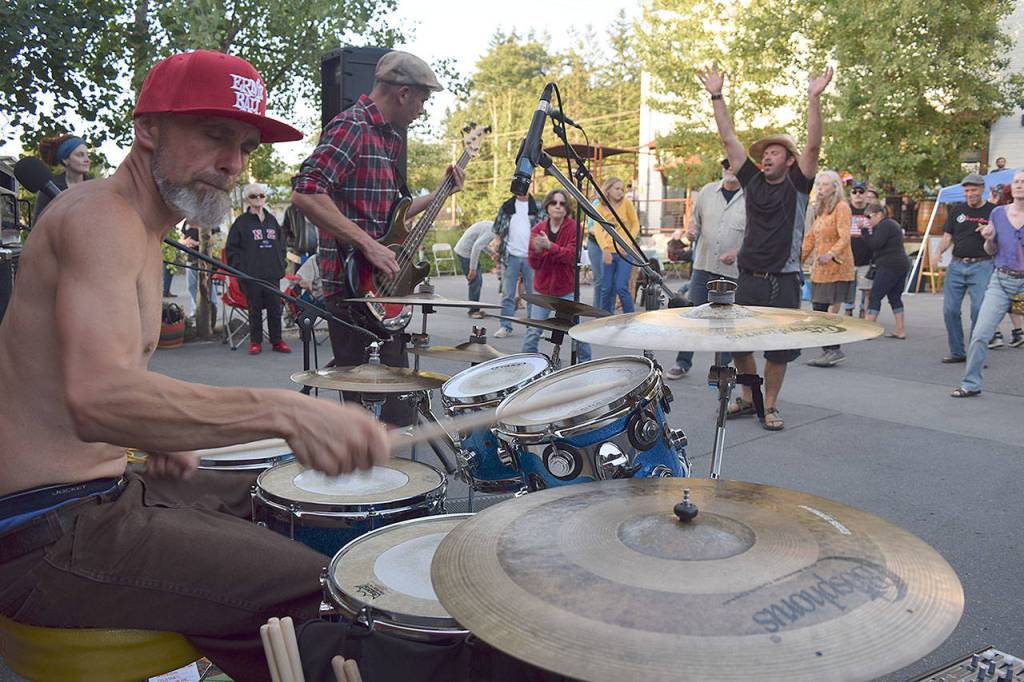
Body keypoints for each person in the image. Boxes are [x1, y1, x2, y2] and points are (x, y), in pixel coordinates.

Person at [0, 50, 390, 682]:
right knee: (327, 590)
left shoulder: (142, 229)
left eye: (244, 145)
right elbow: (96, 398)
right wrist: (285, 410)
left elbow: (95, 380)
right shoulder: (101, 216)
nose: (233, 164)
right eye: (214, 135)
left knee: (288, 500)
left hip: (96, 496)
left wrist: (154, 432)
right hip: (45, 532)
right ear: (148, 128)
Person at [291, 51, 463, 424]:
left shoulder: (389, 140)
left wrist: (438, 196)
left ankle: (389, 477)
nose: (422, 109)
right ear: (403, 93)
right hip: (354, 293)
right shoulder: (352, 125)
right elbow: (306, 192)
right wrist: (367, 244)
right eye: (422, 99)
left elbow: (390, 221)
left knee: (395, 410)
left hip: (383, 292)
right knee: (366, 415)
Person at [698, 64, 832, 431]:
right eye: (766, 153)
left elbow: (814, 144)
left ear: (789, 161)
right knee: (740, 347)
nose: (768, 156)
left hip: (785, 279)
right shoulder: (752, 181)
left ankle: (769, 406)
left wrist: (814, 98)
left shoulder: (798, 185)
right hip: (748, 277)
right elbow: (728, 140)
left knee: (778, 351)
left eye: (776, 153)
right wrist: (716, 95)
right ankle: (747, 397)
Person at [665, 158, 745, 380]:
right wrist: (691, 230)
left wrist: (738, 253)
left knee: (728, 320)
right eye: (726, 163)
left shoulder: (751, 197)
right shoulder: (707, 191)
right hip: (703, 265)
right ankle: (682, 362)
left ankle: (723, 367)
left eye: (734, 164)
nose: (729, 167)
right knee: (693, 314)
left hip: (734, 271)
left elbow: (756, 235)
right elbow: (694, 222)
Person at [952, 170, 1024, 397]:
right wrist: (989, 239)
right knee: (981, 333)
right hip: (1001, 280)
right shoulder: (998, 213)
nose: (1020, 185)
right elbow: (991, 251)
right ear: (1011, 187)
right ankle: (970, 384)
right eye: (1017, 182)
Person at [523, 190, 591, 362]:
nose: (558, 206)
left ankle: (586, 366)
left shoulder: (575, 228)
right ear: (547, 206)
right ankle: (524, 367)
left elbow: (571, 257)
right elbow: (534, 264)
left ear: (567, 208)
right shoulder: (538, 230)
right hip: (543, 290)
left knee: (579, 333)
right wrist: (538, 252)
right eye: (554, 203)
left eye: (562, 203)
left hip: (566, 289)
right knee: (532, 332)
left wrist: (550, 247)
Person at [226, 183, 291, 355]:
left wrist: (281, 263)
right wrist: (241, 270)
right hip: (251, 275)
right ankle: (255, 341)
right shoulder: (241, 223)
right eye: (254, 196)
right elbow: (232, 249)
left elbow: (281, 244)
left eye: (261, 196)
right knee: (254, 309)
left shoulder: (271, 220)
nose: (259, 199)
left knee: (275, 309)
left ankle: (277, 340)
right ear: (248, 199)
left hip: (272, 273)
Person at [936, 173, 995, 363]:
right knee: (950, 310)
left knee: (979, 309)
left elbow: (1001, 240)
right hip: (957, 264)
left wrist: (988, 235)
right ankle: (957, 352)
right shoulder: (957, 210)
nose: (970, 194)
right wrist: (938, 252)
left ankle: (976, 355)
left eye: (974, 190)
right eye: (967, 190)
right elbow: (947, 236)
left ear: (982, 189)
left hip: (982, 264)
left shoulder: (993, 211)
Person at [802, 170, 855, 367]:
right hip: (820, 269)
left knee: (823, 309)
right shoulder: (821, 210)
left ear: (835, 187)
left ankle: (833, 350)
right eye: (819, 185)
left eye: (824, 185)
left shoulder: (841, 207)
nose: (820, 188)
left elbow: (845, 236)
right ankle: (830, 349)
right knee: (819, 309)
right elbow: (810, 237)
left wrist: (831, 254)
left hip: (836, 266)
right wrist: (796, 259)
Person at [491, 192, 542, 337]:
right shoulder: (507, 206)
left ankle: (533, 327)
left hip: (531, 256)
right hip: (510, 256)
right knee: (508, 293)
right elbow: (497, 230)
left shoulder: (538, 206)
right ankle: (505, 326)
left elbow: (545, 229)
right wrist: (497, 246)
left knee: (532, 295)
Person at [861, 203, 910, 339]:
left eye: (868, 217)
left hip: (889, 265)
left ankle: (869, 330)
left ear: (878, 214)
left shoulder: (884, 225)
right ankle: (900, 330)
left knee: (875, 296)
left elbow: (875, 244)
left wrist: (864, 231)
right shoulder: (892, 224)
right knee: (895, 297)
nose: (867, 220)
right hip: (900, 264)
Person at [594, 176, 640, 313]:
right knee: (606, 288)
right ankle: (604, 318)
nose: (621, 192)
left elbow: (635, 224)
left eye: (622, 189)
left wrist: (627, 243)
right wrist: (605, 249)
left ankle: (630, 318)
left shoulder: (627, 203)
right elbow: (597, 229)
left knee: (621, 286)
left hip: (624, 251)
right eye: (617, 188)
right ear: (608, 190)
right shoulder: (599, 207)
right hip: (609, 250)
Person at [986, 183, 1024, 348]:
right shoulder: (997, 212)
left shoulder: (997, 211)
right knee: (1008, 300)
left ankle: (997, 334)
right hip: (999, 262)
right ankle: (1014, 332)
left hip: (998, 264)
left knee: (1000, 300)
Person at [33, 133, 91, 221]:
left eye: (87, 155)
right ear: (65, 160)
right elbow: (38, 226)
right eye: (80, 155)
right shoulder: (49, 188)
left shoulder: (96, 187)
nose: (87, 160)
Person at [453, 219, 494, 319]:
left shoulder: (491, 225)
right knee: (475, 281)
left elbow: (480, 244)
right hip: (465, 252)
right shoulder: (492, 232)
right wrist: (472, 269)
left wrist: (492, 253)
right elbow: (476, 247)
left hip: (467, 249)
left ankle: (475, 308)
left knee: (477, 281)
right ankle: (473, 311)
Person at [846, 180, 874, 317]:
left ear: (866, 193)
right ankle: (848, 311)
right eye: (855, 191)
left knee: (867, 289)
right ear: (850, 194)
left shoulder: (871, 210)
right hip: (848, 257)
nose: (858, 194)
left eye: (861, 191)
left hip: (867, 257)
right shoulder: (845, 209)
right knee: (848, 288)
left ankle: (864, 314)